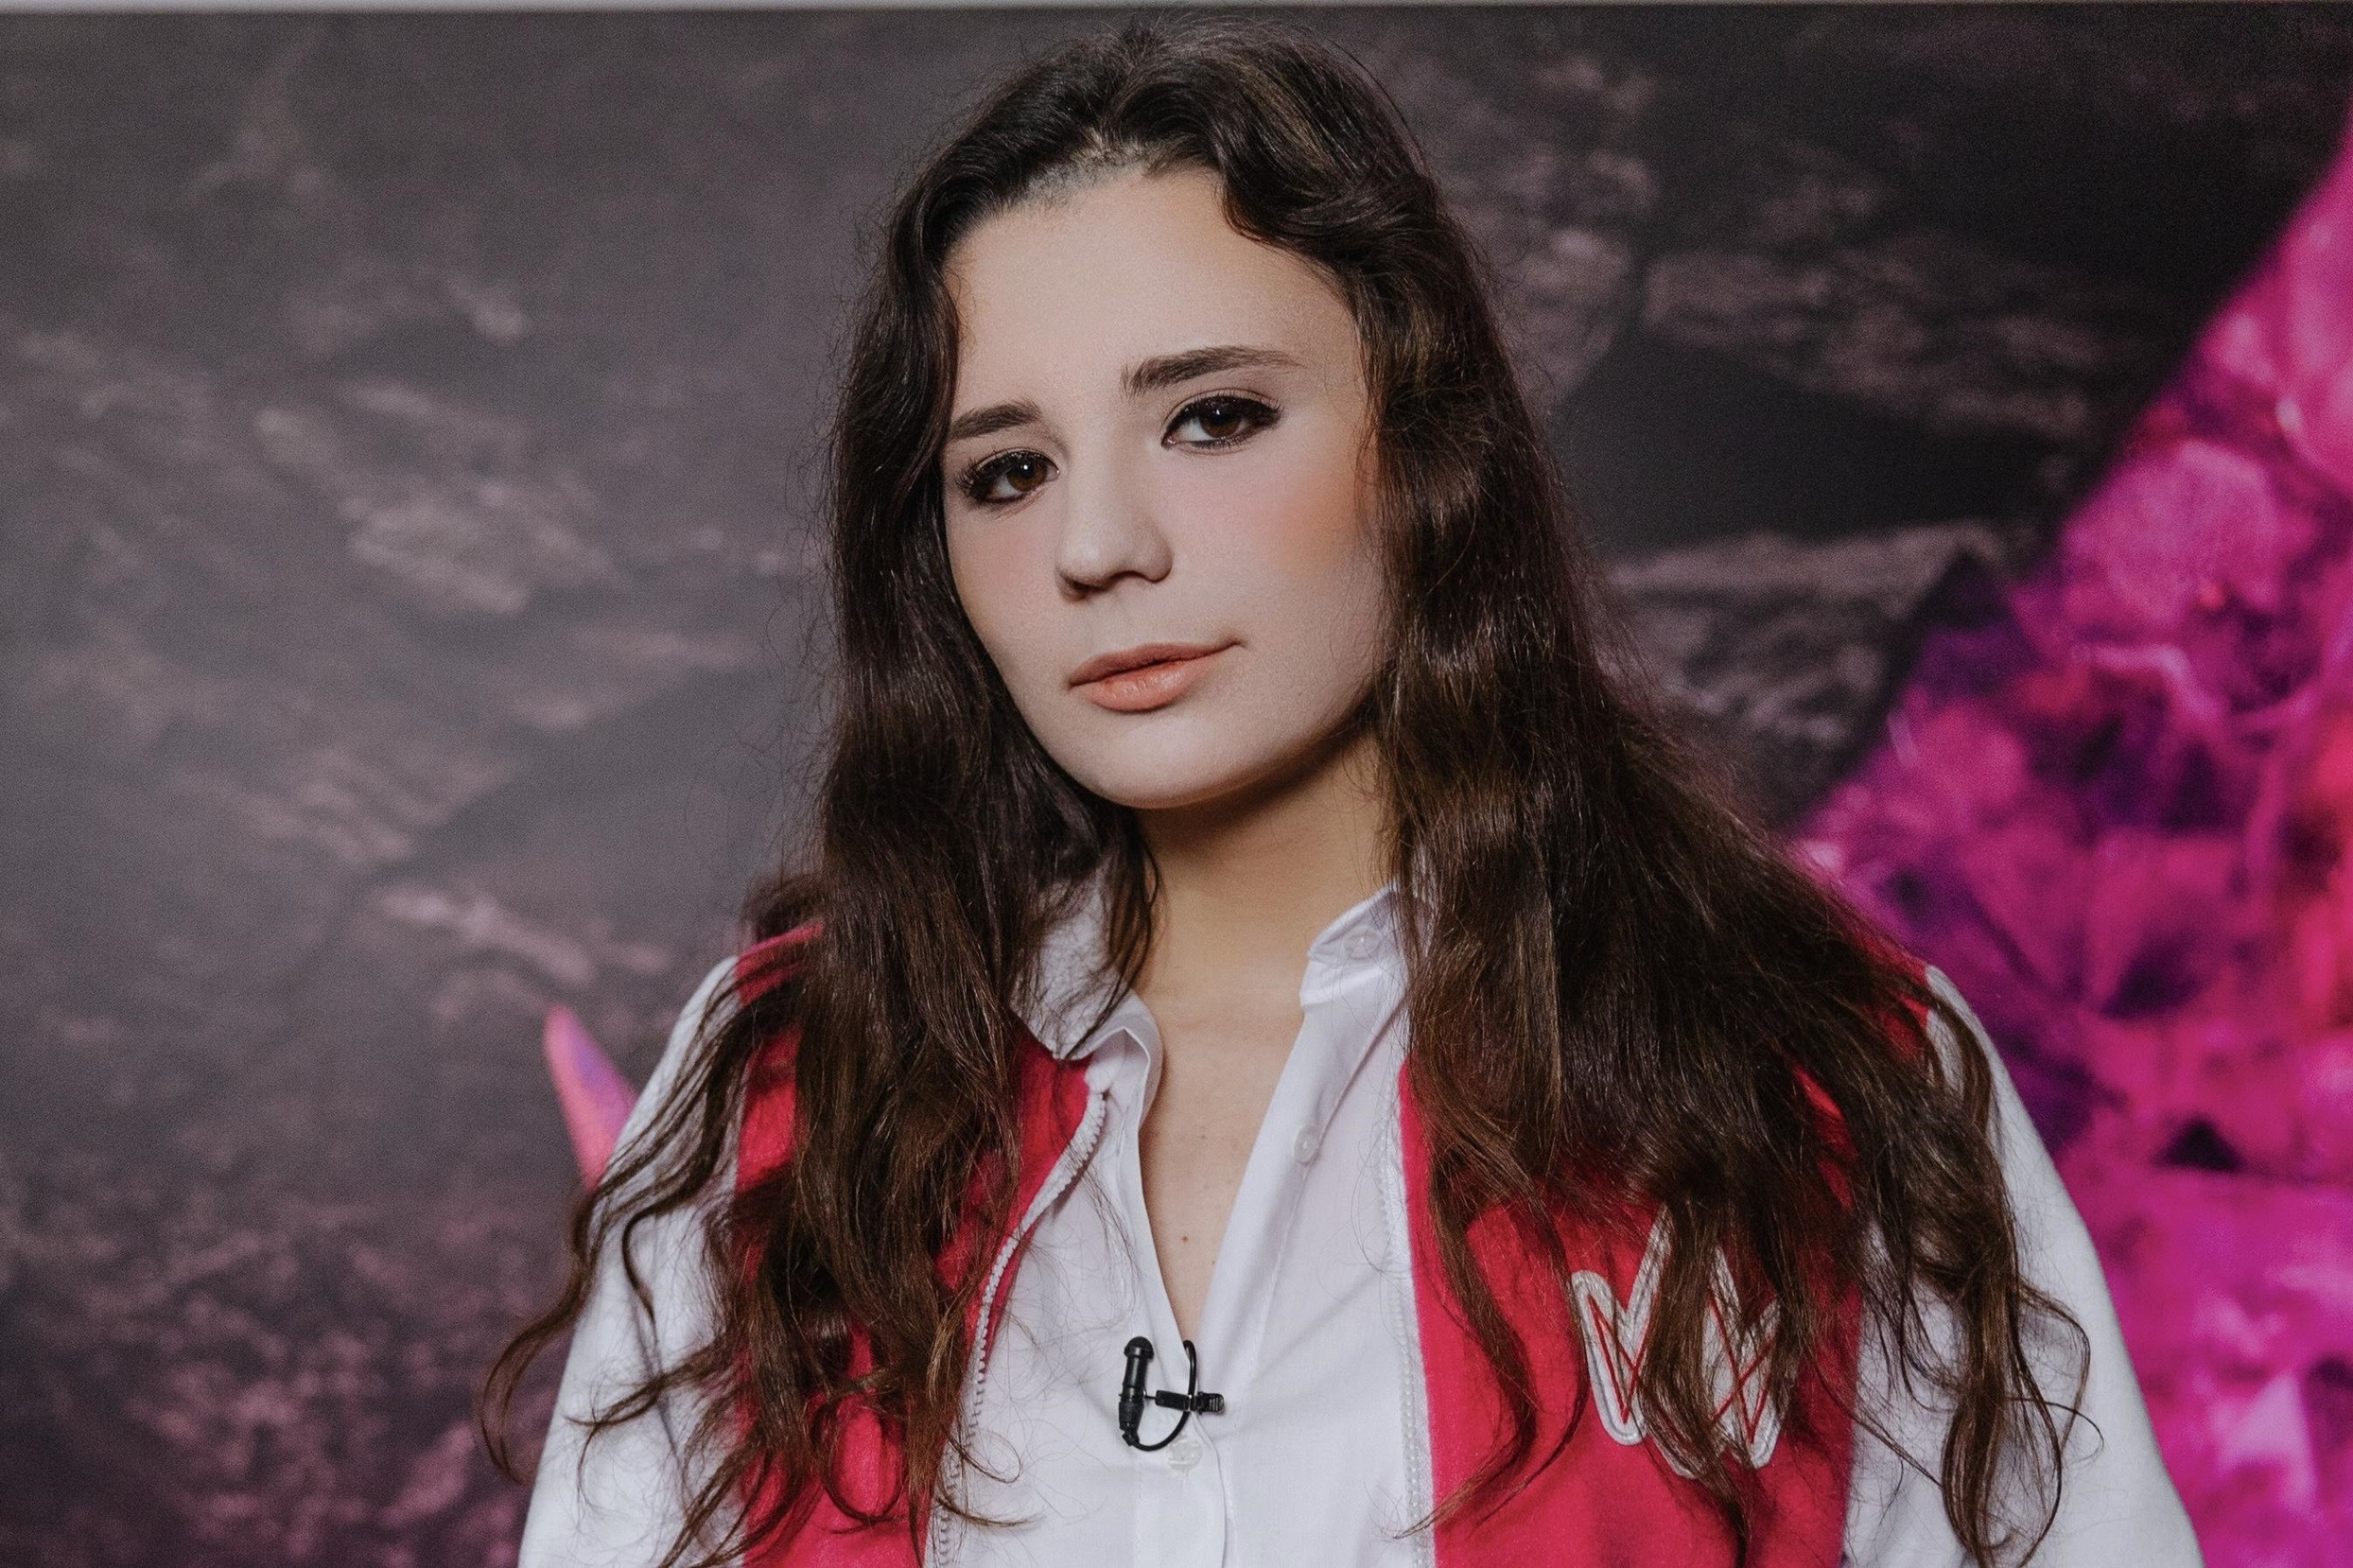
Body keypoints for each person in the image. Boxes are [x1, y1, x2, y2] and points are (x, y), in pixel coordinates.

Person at [487, 19, 2200, 1568]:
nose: (1098, 545)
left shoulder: (1820, 1073)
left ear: (1426, 453)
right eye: (1006, 471)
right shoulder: (785, 1083)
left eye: (1213, 418)